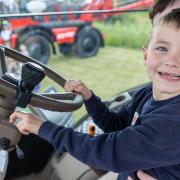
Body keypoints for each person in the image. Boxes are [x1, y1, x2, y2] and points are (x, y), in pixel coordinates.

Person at [9, 9, 180, 180]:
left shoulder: (173, 122)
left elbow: (111, 152)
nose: (172, 61)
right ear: (145, 55)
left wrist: (43, 128)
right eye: (162, 49)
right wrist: (89, 98)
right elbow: (116, 125)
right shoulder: (146, 94)